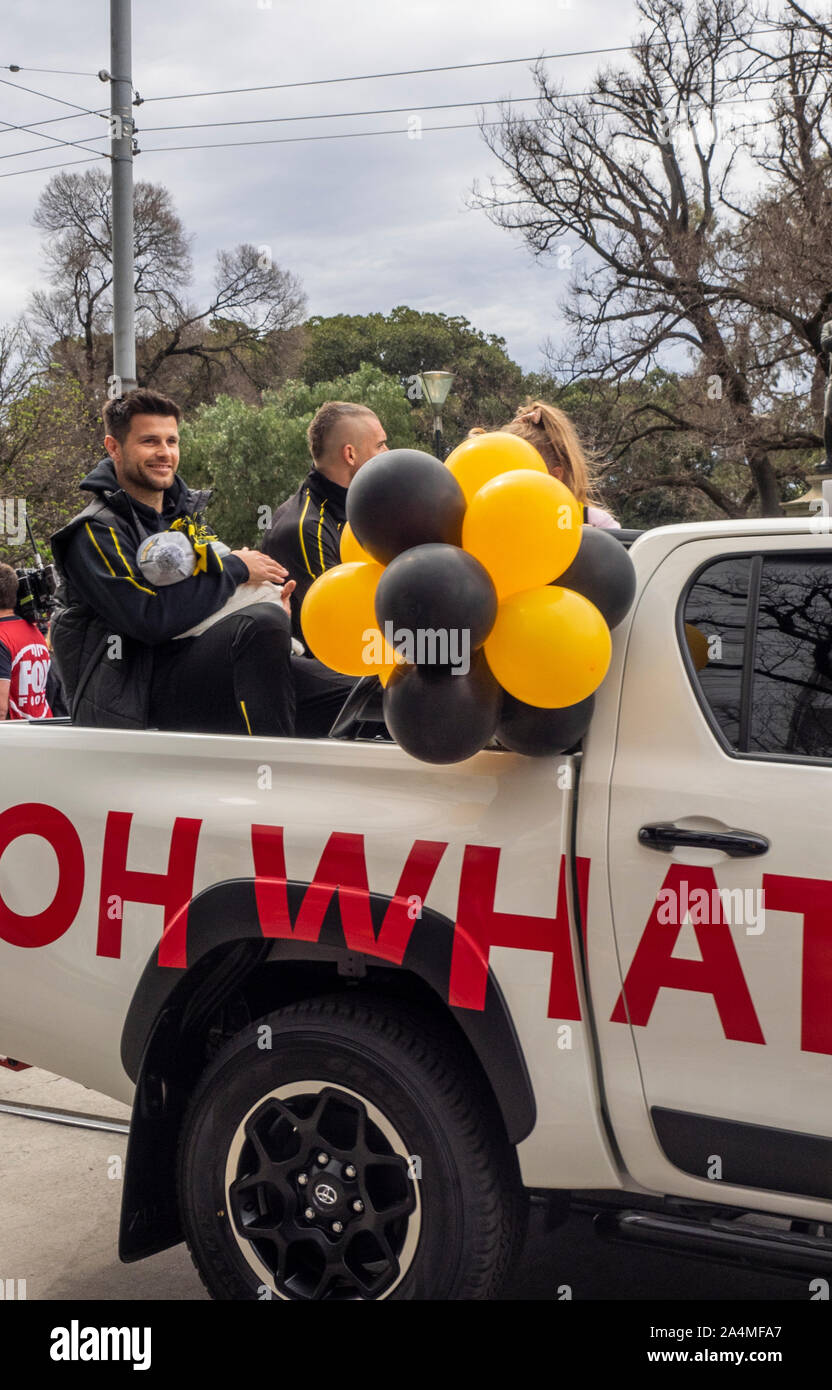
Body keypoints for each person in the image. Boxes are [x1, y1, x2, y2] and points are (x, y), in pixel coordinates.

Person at [50, 389, 352, 737]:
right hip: (134, 699)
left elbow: (207, 599)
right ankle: (273, 770)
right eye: (149, 441)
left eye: (171, 441)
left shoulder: (183, 517)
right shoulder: (94, 531)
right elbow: (148, 618)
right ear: (114, 447)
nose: (164, 453)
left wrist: (263, 602)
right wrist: (238, 570)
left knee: (361, 692)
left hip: (202, 669)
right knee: (260, 623)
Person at [262, 401, 388, 641]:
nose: (388, 452)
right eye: (380, 445)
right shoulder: (305, 528)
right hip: (324, 666)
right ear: (350, 454)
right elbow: (343, 622)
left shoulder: (367, 507)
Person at [500, 401, 620, 529]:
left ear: (555, 476)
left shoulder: (595, 522)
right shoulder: (494, 517)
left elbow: (617, 547)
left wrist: (588, 542)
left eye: (521, 476)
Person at [0, 563, 53, 720]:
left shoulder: (2, 637)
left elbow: (1, 709)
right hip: (43, 727)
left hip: (15, 736)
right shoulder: (34, 632)